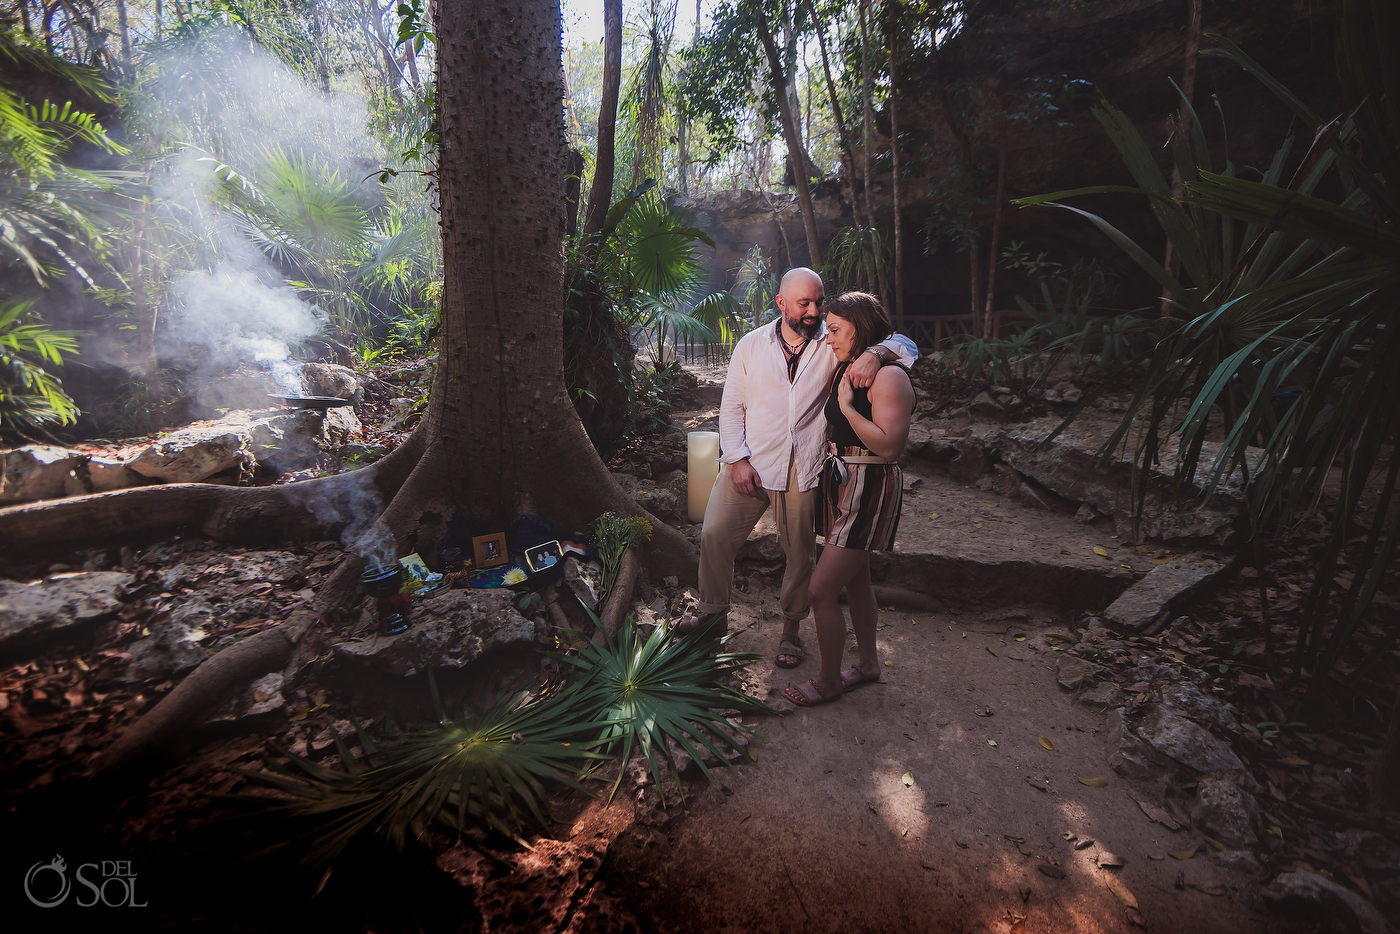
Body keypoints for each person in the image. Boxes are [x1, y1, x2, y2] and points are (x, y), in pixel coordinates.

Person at [677, 269, 917, 671]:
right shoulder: (751, 345)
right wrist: (736, 459)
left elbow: (905, 344)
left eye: (819, 302)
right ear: (781, 303)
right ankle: (712, 612)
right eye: (803, 303)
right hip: (750, 460)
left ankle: (791, 629)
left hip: (804, 466)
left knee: (800, 555)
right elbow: (732, 408)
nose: (814, 311)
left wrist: (877, 354)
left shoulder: (834, 339)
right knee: (716, 534)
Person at [783, 291, 914, 706]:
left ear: (860, 326)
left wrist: (848, 408)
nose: (829, 337)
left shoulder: (888, 376)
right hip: (843, 479)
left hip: (869, 481)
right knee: (857, 579)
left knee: (821, 590)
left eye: (837, 330)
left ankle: (829, 680)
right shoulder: (849, 365)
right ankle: (869, 664)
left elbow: (891, 447)